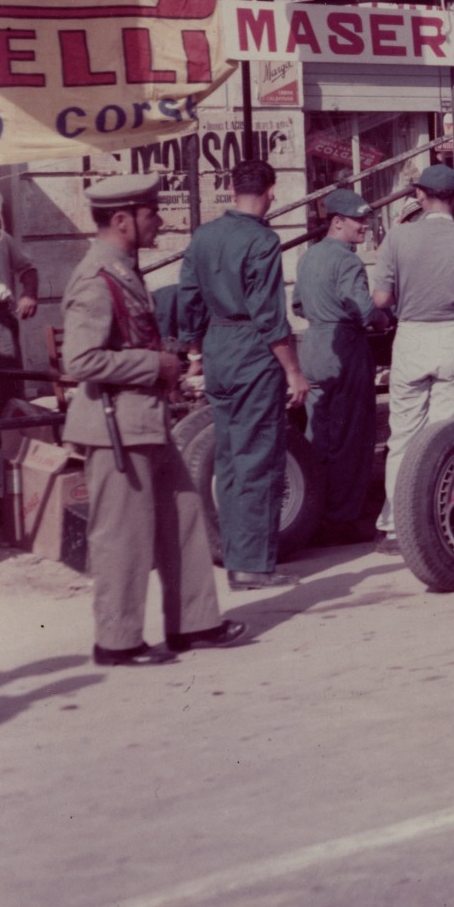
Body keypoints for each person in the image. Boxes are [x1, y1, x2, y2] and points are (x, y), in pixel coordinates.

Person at [63, 175, 243, 666]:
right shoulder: (96, 276)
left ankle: (195, 623)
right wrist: (154, 366)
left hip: (144, 421)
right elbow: (79, 360)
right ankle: (118, 642)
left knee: (183, 519)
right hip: (116, 427)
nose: (158, 220)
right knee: (122, 538)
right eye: (150, 213)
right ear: (122, 220)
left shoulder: (122, 268)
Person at [177, 158, 307, 590]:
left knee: (230, 458)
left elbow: (189, 300)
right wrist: (293, 373)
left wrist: (195, 353)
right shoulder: (263, 240)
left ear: (232, 190)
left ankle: (238, 559)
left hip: (218, 349)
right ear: (270, 190)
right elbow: (270, 317)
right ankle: (252, 565)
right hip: (252, 350)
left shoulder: (204, 236)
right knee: (258, 459)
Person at [368, 163, 454, 554]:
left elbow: (380, 300)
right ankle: (438, 521)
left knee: (404, 435)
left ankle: (395, 526)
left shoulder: (398, 237)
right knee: (445, 435)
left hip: (412, 336)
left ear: (420, 196)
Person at [291, 190, 385, 545]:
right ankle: (342, 519)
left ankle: (313, 512)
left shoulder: (309, 256)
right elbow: (363, 310)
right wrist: (381, 317)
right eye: (359, 221)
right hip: (344, 347)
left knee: (319, 433)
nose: (365, 226)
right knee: (351, 437)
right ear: (337, 222)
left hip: (314, 346)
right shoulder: (348, 262)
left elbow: (298, 303)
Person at [0, 196, 38, 377]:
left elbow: (27, 269)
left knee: (9, 379)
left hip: (1, 319)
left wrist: (29, 294)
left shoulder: (1, 239)